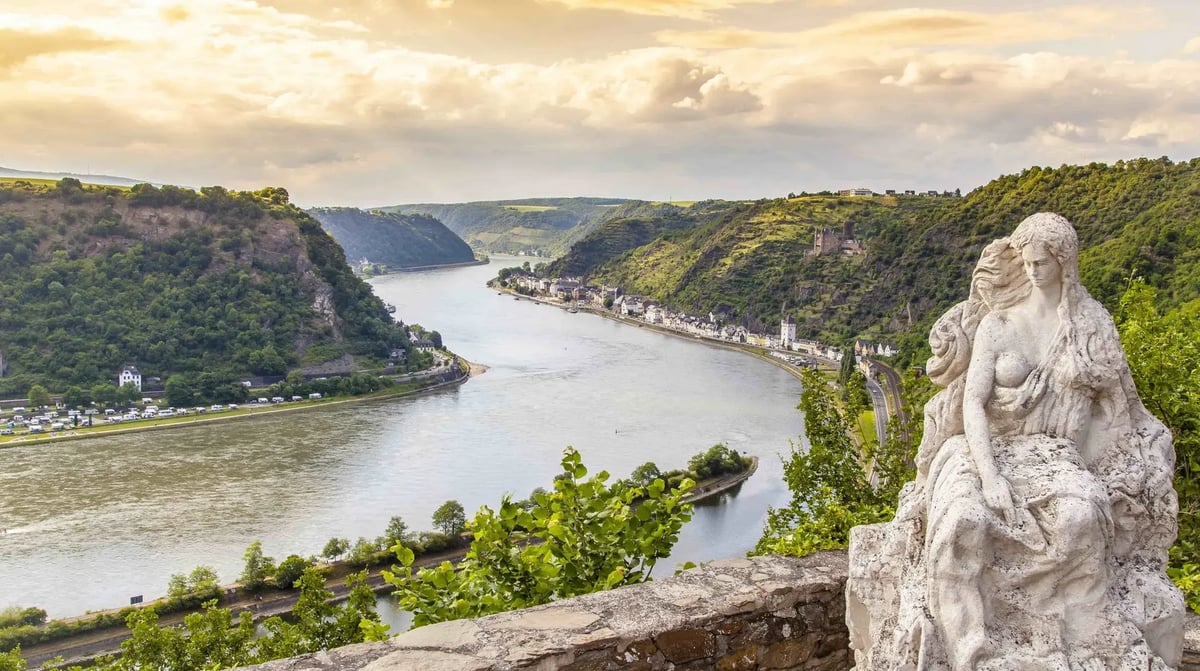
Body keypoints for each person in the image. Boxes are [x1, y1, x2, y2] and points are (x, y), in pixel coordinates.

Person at [847, 213, 1183, 671]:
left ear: (1064, 262)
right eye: (1025, 262)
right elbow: (972, 405)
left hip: (1055, 456)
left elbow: (1119, 409)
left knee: (1080, 518)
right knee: (964, 520)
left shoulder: (1090, 327)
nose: (1032, 271)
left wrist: (1100, 465)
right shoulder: (999, 325)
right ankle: (971, 652)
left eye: (1041, 262)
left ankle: (1064, 641)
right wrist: (990, 477)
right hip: (983, 450)